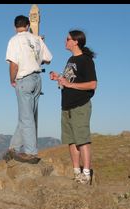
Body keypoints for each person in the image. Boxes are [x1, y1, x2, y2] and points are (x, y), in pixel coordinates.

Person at [49, 30, 97, 185]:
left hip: (80, 105)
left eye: (67, 39)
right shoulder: (71, 59)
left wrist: (69, 84)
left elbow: (92, 84)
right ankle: (77, 172)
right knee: (71, 140)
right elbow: (69, 81)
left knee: (82, 140)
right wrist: (59, 78)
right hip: (66, 106)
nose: (65, 41)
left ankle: (86, 174)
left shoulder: (86, 60)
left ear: (76, 41)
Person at [4, 15, 52, 164]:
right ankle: (13, 148)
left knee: (26, 117)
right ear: (28, 25)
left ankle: (31, 153)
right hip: (38, 79)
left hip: (24, 79)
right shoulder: (37, 39)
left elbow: (14, 64)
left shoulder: (14, 40)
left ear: (15, 27)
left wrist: (12, 79)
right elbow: (48, 58)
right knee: (27, 115)